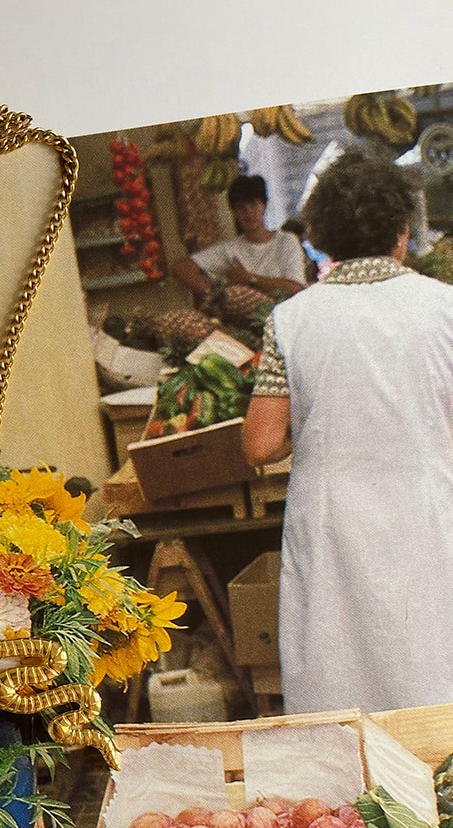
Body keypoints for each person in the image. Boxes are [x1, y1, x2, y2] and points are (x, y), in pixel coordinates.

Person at [242, 147, 453, 714]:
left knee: (342, 678)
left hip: (334, 525)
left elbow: (260, 444)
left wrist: (316, 423)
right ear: (402, 233)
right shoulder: (446, 307)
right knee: (436, 667)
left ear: (322, 238)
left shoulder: (290, 320)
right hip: (433, 514)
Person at [172, 174, 308, 302]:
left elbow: (295, 288)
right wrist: (216, 296)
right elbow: (181, 268)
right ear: (234, 213)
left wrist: (249, 279)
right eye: (241, 208)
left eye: (254, 205)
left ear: (264, 206)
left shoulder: (285, 241)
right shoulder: (229, 249)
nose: (248, 213)